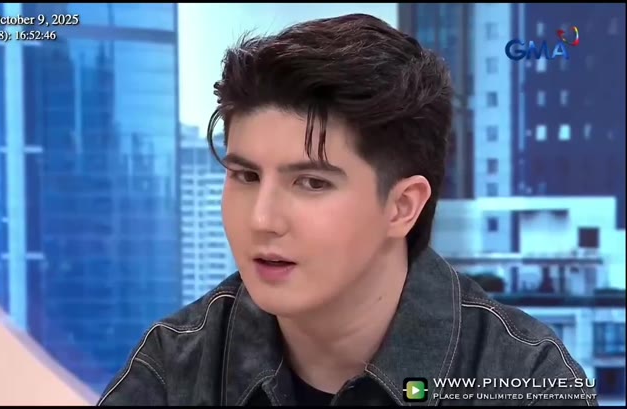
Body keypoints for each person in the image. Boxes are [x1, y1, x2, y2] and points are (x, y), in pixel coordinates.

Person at [98, 13, 596, 406]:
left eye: (311, 183)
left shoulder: (522, 376)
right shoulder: (177, 367)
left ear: (402, 206)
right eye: (246, 177)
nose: (261, 220)